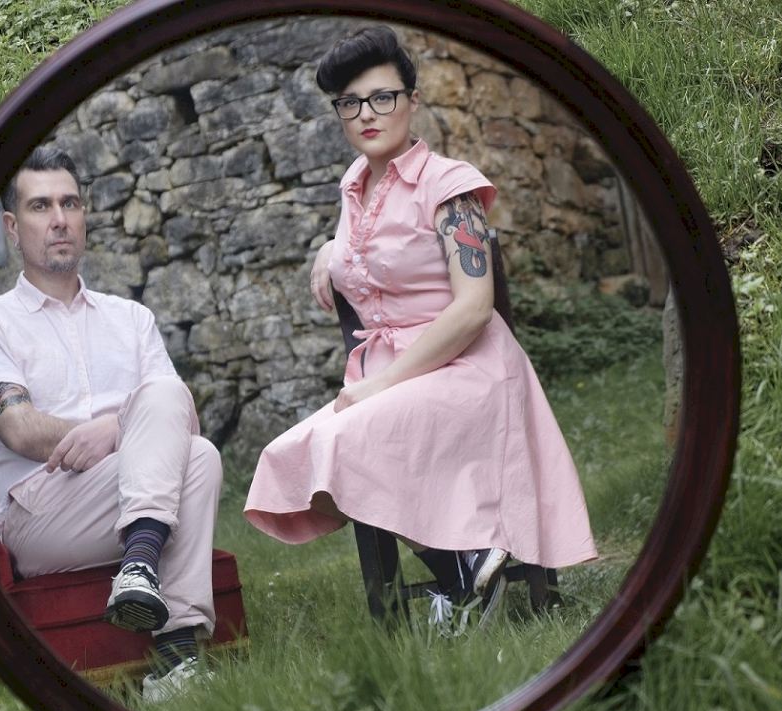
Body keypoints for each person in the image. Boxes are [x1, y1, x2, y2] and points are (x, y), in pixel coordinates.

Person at [244, 26, 597, 630]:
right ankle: (466, 570)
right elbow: (370, 248)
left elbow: (474, 308)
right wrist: (327, 251)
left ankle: (466, 573)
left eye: (382, 97)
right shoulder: (353, 190)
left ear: (412, 99)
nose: (366, 114)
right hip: (391, 376)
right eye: (350, 103)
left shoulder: (449, 185)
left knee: (340, 442)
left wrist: (380, 387)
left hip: (467, 370)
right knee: (287, 456)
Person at [0, 146, 220, 699]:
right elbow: (20, 430)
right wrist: (121, 429)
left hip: (125, 495)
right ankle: (152, 580)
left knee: (200, 453)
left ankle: (168, 645)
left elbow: (180, 415)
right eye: (40, 206)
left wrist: (113, 429)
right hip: (41, 512)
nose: (59, 219)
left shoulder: (132, 319)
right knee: (187, 451)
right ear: (12, 227)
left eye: (70, 203)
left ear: (83, 215)